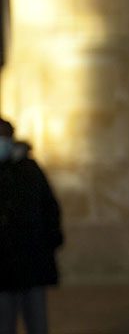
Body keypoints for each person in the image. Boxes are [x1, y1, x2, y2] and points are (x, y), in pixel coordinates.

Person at [0, 118, 62, 334]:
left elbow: (49, 208)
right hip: (3, 268)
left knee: (37, 322)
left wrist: (49, 243)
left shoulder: (29, 170)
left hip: (31, 261)